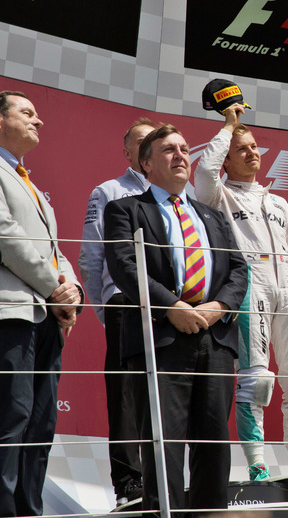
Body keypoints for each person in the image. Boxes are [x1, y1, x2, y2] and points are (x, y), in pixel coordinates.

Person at [104, 124, 247, 512]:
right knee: (163, 450)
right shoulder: (125, 209)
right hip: (161, 338)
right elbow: (124, 265)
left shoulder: (211, 215)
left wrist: (218, 308)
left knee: (214, 451)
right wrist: (173, 307)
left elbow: (238, 270)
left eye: (185, 148)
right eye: (168, 150)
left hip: (214, 340)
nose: (181, 155)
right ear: (146, 163)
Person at [194, 104, 288, 480]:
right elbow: (204, 171)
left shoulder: (278, 202)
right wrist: (228, 127)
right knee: (256, 381)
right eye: (242, 149)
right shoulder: (218, 195)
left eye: (254, 146)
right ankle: (257, 464)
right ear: (227, 159)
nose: (252, 152)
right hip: (249, 287)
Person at [0, 90, 83, 516]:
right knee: (10, 420)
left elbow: (54, 249)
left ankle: (29, 510)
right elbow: (6, 235)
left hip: (48, 318)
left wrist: (73, 290)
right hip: (12, 314)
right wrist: (55, 288)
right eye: (27, 113)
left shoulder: (29, 182)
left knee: (40, 425)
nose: (39, 121)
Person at [78, 118, 155, 507]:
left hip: (170, 306)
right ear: (126, 152)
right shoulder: (108, 191)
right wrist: (105, 306)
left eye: (153, 142)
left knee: (168, 393)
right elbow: (91, 256)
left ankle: (165, 479)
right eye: (140, 143)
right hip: (124, 302)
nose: (147, 149)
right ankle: (129, 483)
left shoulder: (179, 194)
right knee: (124, 393)